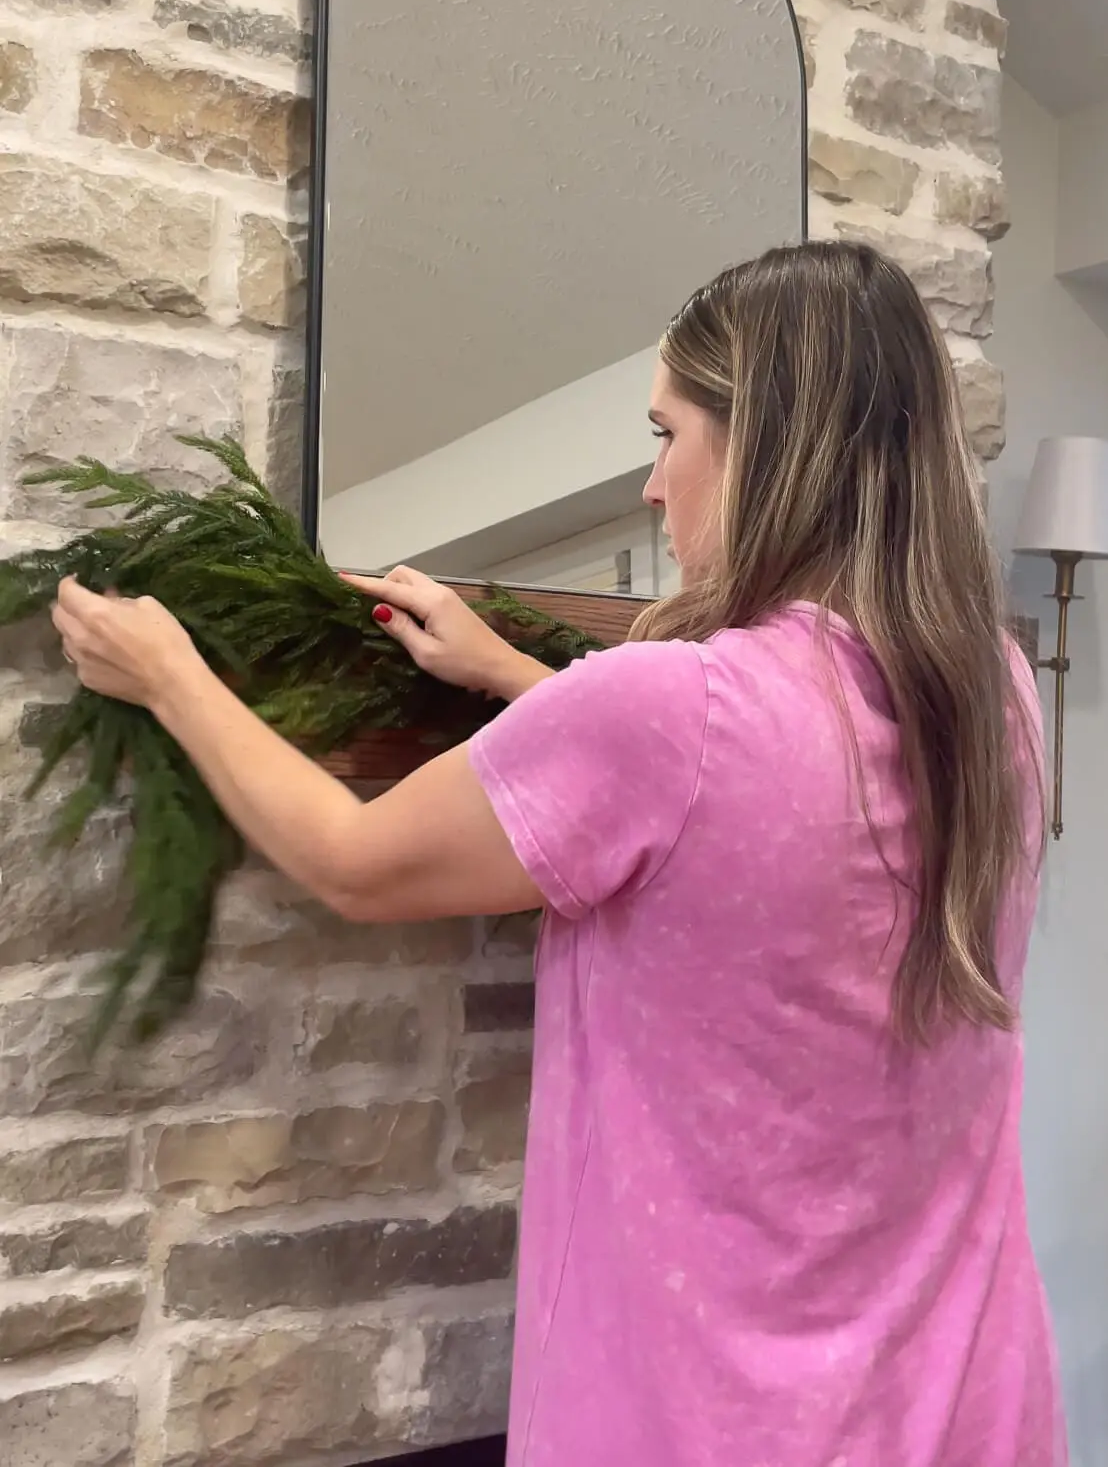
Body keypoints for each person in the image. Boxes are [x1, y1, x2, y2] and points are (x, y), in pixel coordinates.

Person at [53, 239, 1064, 1467]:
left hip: (715, 1422)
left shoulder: (671, 716)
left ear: (763, 451)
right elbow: (751, 794)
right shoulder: (997, 696)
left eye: (663, 435)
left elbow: (355, 862)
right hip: (967, 1401)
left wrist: (171, 676)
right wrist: (511, 676)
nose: (651, 487)